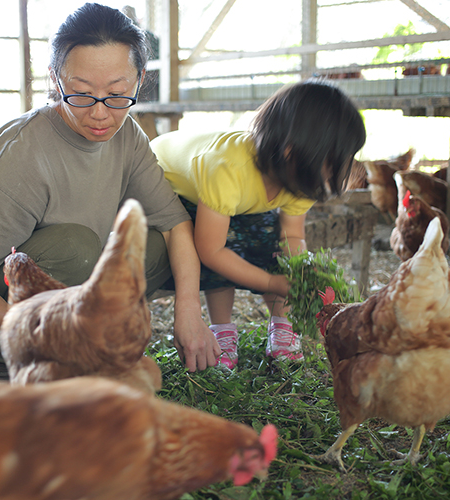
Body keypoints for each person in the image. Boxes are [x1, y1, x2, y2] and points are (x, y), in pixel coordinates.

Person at [0, 2, 219, 377]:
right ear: (55, 79)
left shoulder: (127, 136)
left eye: (117, 94)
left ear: (140, 79)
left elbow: (174, 225)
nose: (100, 113)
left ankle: (77, 345)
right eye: (81, 93)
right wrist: (51, 339)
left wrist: (189, 311)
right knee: (76, 247)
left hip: (43, 288)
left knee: (151, 247)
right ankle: (9, 365)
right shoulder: (24, 153)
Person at [150, 80, 366, 369]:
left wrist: (301, 275)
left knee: (269, 238)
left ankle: (282, 325)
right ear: (291, 152)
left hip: (228, 198)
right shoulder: (227, 168)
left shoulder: (301, 178)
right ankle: (222, 330)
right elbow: (210, 250)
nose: (340, 169)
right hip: (167, 183)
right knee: (225, 243)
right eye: (333, 161)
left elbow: (291, 235)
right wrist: (271, 282)